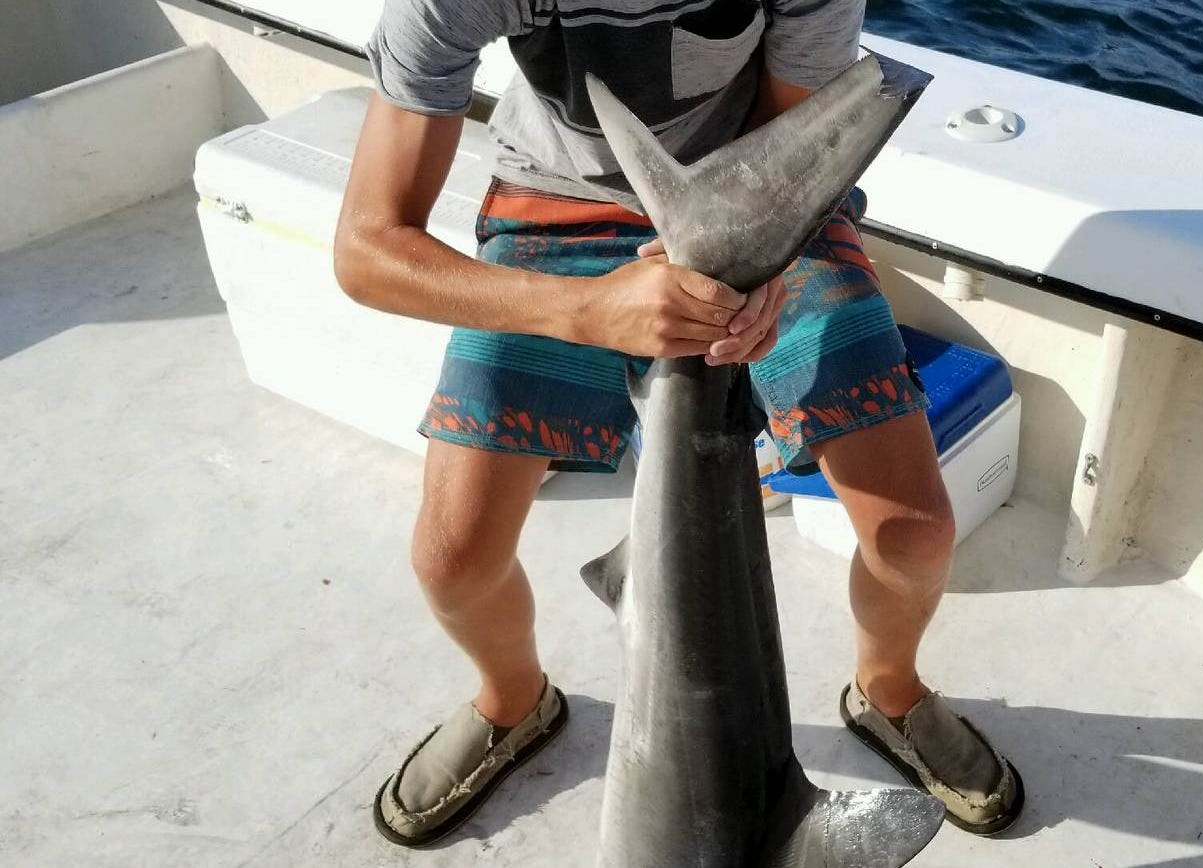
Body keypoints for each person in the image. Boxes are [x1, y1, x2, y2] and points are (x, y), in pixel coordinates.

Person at [335, 0, 1023, 847]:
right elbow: (367, 249)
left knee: (915, 536)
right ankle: (512, 701)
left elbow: (785, 147)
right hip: (556, 208)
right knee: (453, 559)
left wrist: (757, 275)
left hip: (763, 219)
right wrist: (588, 312)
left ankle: (889, 689)